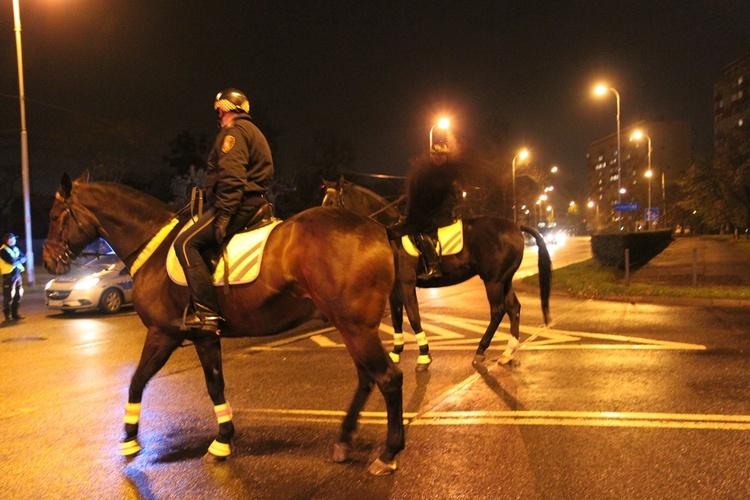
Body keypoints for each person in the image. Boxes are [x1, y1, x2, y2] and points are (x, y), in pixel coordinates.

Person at [173, 88, 274, 334]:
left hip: (240, 203)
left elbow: (232, 175)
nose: (217, 115)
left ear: (224, 109)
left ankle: (206, 314)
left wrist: (226, 213)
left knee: (185, 243)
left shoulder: (234, 132)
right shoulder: (252, 130)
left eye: (218, 110)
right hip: (251, 200)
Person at [0, 233, 27, 323]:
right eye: (11, 239)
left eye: (14, 239)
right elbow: (11, 261)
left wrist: (17, 260)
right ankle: (8, 315)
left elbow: (24, 257)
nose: (13, 240)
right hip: (9, 275)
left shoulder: (15, 249)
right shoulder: (3, 250)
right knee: (8, 296)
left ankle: (15, 313)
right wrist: (18, 260)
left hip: (17, 274)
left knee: (18, 294)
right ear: (7, 240)